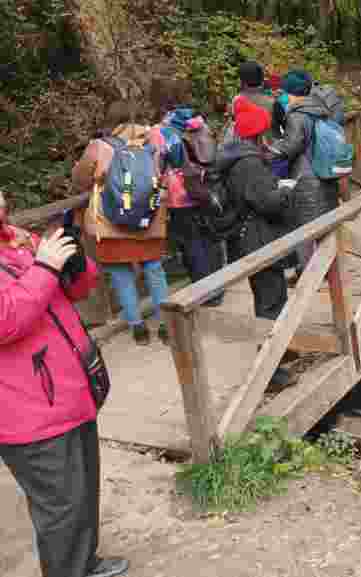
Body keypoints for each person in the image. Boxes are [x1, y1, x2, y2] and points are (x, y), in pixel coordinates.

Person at [0, 189, 130, 577]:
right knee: (60, 508)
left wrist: (73, 261)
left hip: (69, 392)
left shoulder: (15, 238)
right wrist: (45, 267)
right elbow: (6, 320)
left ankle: (84, 564)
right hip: (28, 411)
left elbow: (77, 289)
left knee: (83, 492)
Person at [71, 101, 171, 346]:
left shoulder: (99, 146)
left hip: (110, 224)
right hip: (148, 220)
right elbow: (161, 177)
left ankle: (138, 328)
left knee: (121, 275)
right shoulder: (152, 143)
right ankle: (166, 325)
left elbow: (80, 180)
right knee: (154, 271)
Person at [217, 99, 294, 386]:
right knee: (270, 300)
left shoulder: (238, 157)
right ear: (259, 133)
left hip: (250, 236)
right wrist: (285, 192)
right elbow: (266, 203)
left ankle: (281, 350)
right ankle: (271, 371)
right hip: (258, 237)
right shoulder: (249, 164)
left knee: (272, 295)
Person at [150, 87, 224, 307]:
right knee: (209, 237)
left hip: (179, 194)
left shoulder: (160, 132)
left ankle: (204, 293)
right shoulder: (198, 123)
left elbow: (156, 166)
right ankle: (219, 286)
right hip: (204, 188)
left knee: (191, 243)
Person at [274, 69, 338, 279]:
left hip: (306, 177)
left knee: (304, 229)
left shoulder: (297, 115)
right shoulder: (322, 109)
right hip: (326, 175)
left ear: (290, 92)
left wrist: (270, 149)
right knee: (325, 226)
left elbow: (291, 146)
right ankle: (331, 271)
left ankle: (309, 276)